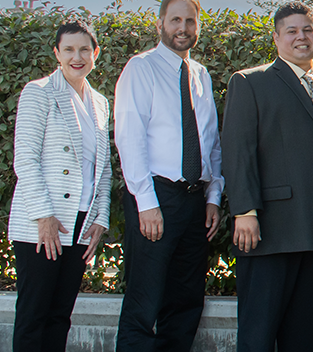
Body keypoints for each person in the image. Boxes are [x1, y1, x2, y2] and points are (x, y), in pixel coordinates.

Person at [221, 2, 313, 351]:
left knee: (307, 339)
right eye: (292, 31)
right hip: (271, 231)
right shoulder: (250, 82)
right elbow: (239, 151)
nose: (301, 37)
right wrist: (245, 211)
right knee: (258, 337)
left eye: (307, 29)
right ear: (277, 37)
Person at [112, 0, 223, 349]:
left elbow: (210, 142)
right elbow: (129, 137)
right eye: (176, 19)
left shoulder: (201, 74)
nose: (183, 28)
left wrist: (213, 196)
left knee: (186, 301)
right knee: (144, 302)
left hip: (194, 201)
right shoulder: (140, 68)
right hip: (156, 197)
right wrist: (146, 203)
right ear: (161, 23)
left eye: (190, 21)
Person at [8, 19, 111, 352]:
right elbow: (25, 160)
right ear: (57, 53)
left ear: (95, 53)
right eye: (68, 49)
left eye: (84, 49)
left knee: (60, 316)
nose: (76, 56)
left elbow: (103, 168)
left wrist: (100, 218)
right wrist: (44, 217)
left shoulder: (100, 102)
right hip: (42, 224)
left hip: (80, 224)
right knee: (33, 314)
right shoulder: (38, 92)